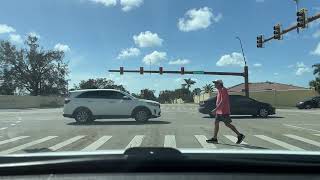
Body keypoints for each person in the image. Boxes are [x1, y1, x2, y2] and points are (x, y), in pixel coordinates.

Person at [206, 80, 245, 144]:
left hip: (224, 111)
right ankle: (214, 138)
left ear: (219, 84)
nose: (214, 85)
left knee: (227, 124)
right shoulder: (219, 90)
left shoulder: (224, 90)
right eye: (214, 83)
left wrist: (215, 109)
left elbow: (223, 101)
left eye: (216, 83)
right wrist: (217, 109)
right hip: (219, 111)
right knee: (216, 123)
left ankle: (240, 135)